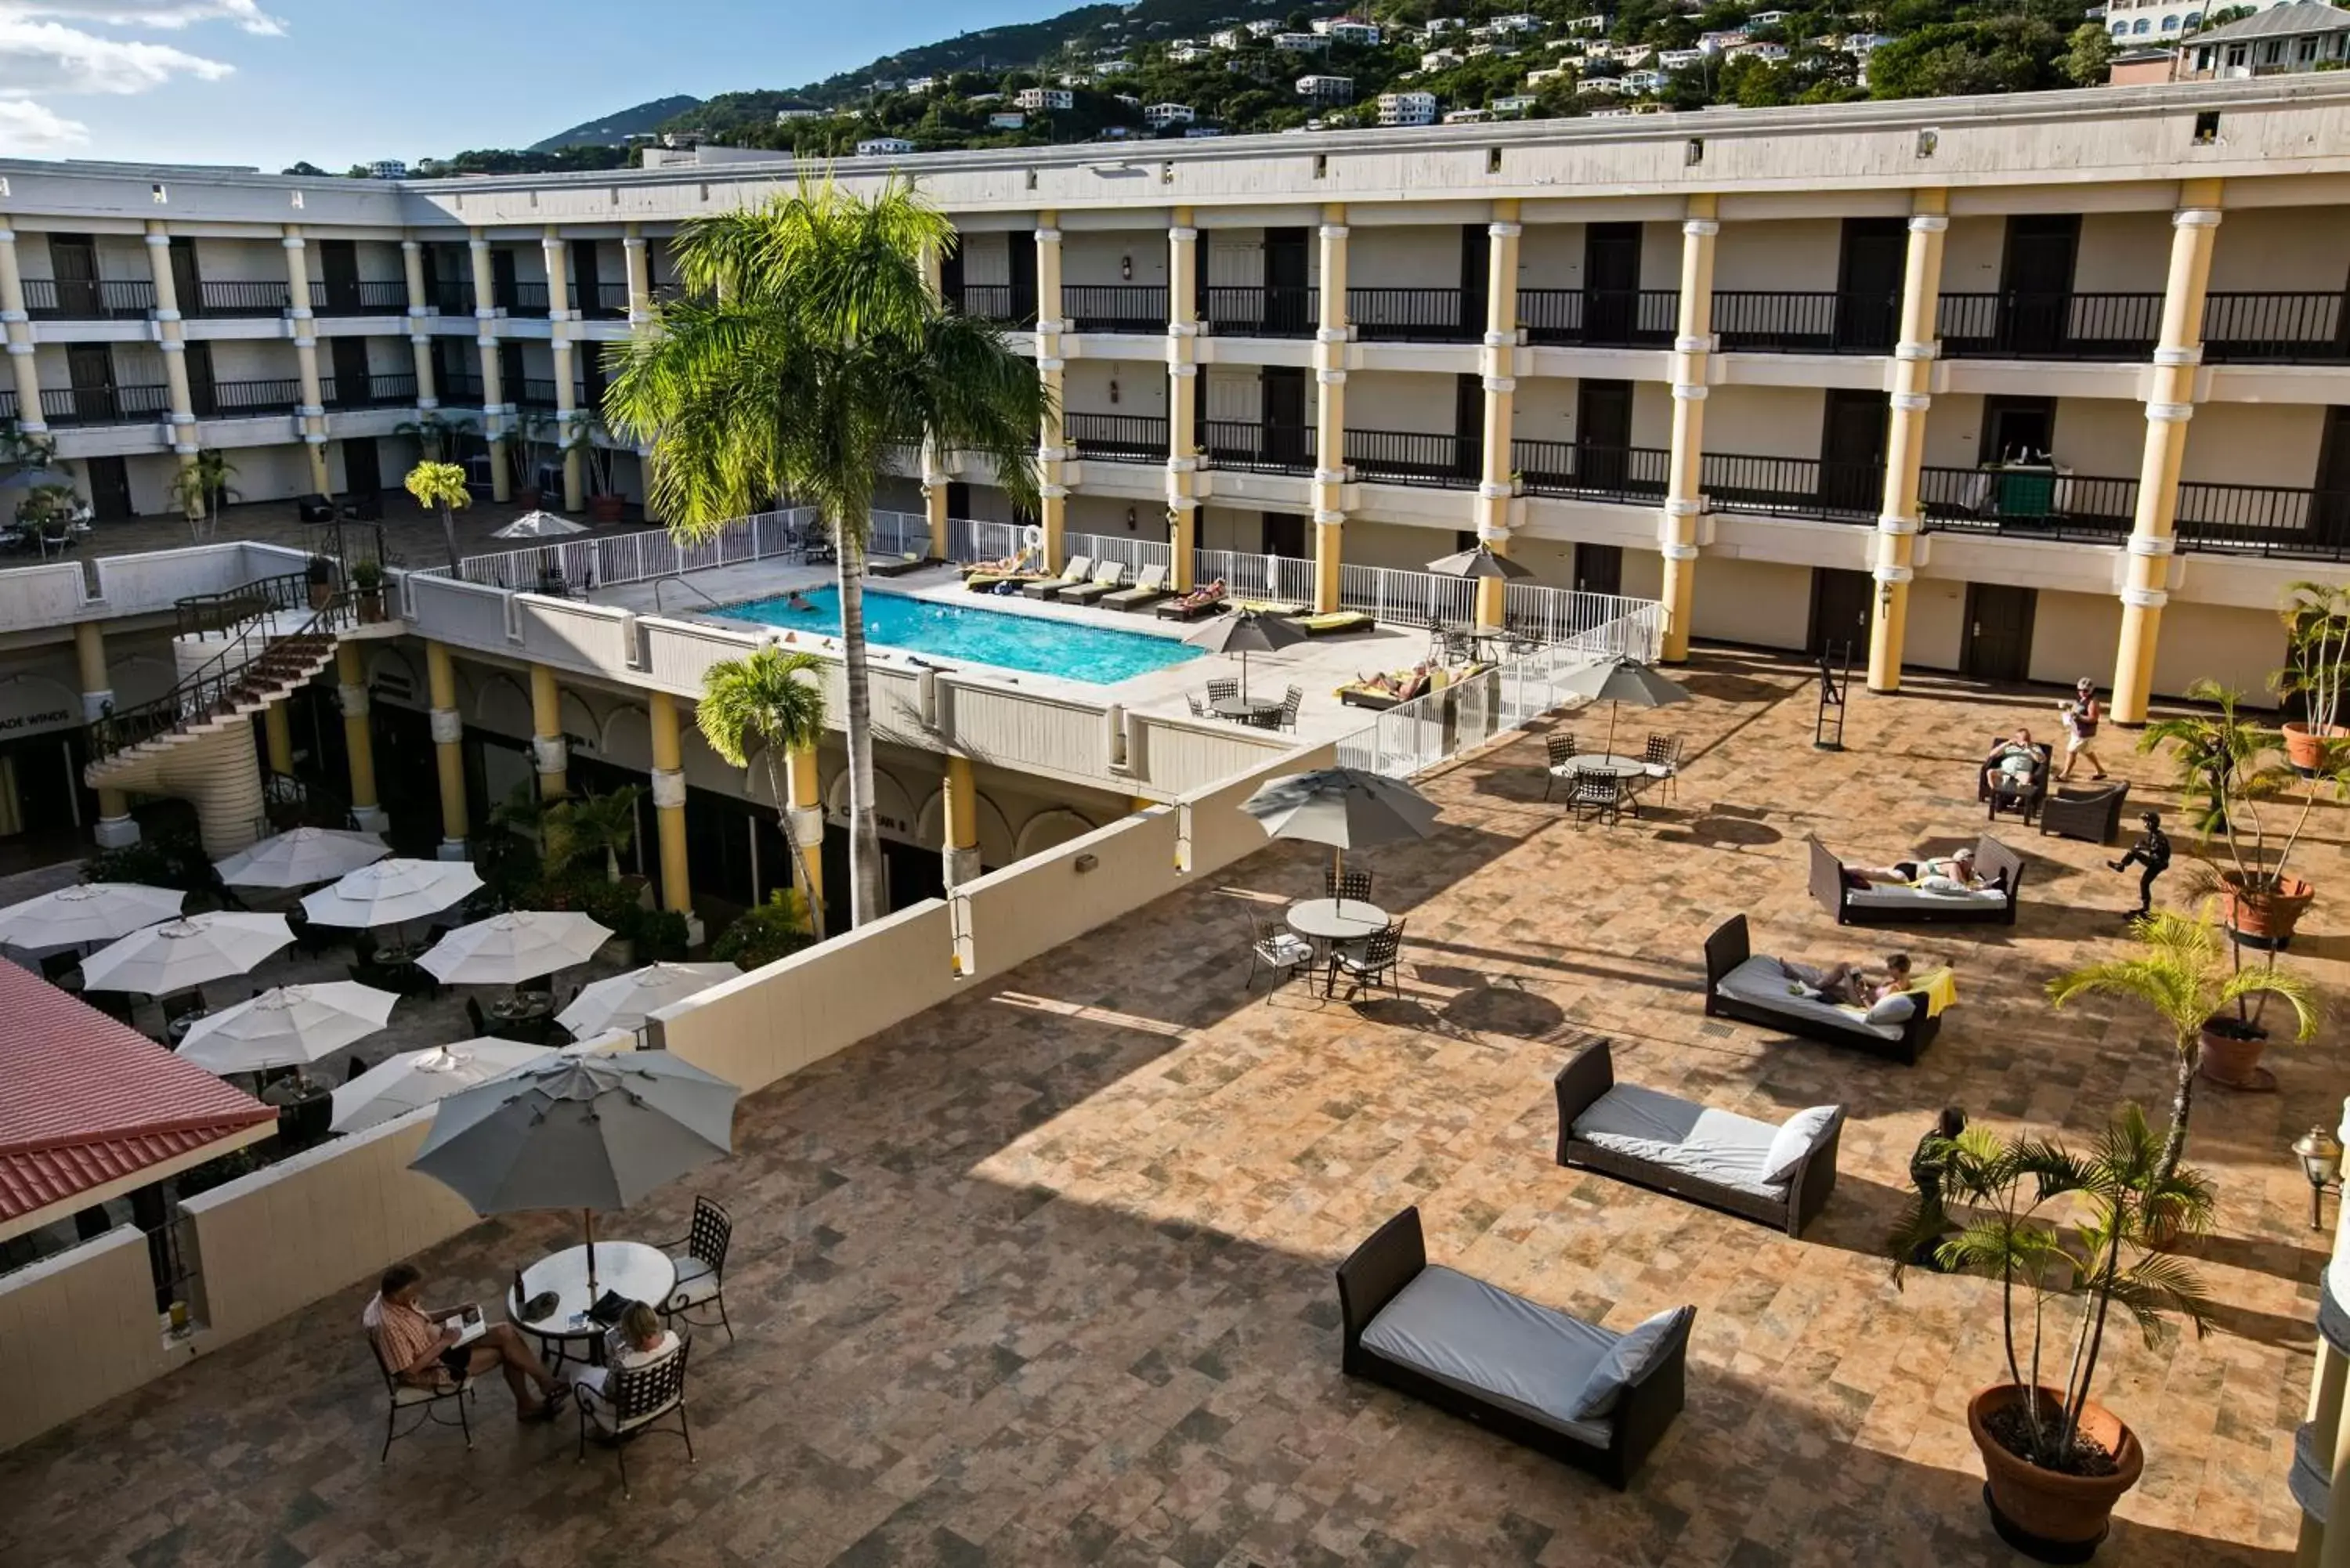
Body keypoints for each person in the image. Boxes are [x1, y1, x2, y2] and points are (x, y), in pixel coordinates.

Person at [363, 1262, 568, 1422]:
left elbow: (422, 1318)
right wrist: (444, 1343)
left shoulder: (390, 1297)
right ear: (397, 1294)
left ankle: (544, 1383)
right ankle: (530, 1403)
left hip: (443, 1339)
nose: (417, 1296)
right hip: (439, 1364)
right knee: (507, 1351)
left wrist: (456, 1311)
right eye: (412, 1292)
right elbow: (408, 1372)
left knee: (505, 1332)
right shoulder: (388, 1327)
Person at [569, 1300, 680, 1405]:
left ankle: (573, 1319)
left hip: (626, 1410)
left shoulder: (624, 1364)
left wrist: (616, 1360)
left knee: (577, 1370)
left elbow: (609, 1393)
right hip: (657, 1398)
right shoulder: (673, 1338)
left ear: (631, 1332)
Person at [1908, 1107, 1969, 1270]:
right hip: (1927, 1181)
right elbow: (1950, 1171)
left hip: (1923, 1178)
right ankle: (1923, 1251)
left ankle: (1930, 1244)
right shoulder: (1949, 1147)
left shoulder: (1931, 1135)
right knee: (1931, 1214)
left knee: (1932, 1212)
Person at [2110, 811, 2173, 918]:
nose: (2145, 824)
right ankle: (2146, 909)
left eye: (2146, 822)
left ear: (2151, 823)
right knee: (2144, 883)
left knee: (2134, 853)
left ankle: (2121, 866)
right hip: (2155, 861)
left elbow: (2157, 848)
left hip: (2157, 863)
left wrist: (2142, 847)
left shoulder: (2159, 836)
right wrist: (2143, 845)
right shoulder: (2154, 834)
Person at [1788, 952, 1912, 1006]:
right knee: (1836, 983)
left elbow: (1874, 1010)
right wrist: (1861, 980)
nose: (1888, 970)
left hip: (1859, 1000)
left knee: (1845, 967)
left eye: (1890, 967)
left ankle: (1801, 979)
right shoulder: (1903, 979)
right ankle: (1802, 980)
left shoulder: (1895, 989)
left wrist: (1863, 995)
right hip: (1863, 990)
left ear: (1897, 969)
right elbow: (1877, 989)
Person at [2058, 678, 2109, 782]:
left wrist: (2078, 716)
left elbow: (2093, 718)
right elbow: (2075, 711)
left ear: (2091, 690)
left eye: (2085, 690)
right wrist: (2067, 707)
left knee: (2071, 751)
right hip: (2079, 731)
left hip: (2083, 734)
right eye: (2080, 690)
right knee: (2088, 752)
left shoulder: (2092, 702)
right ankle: (2101, 771)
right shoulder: (2081, 699)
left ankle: (2065, 774)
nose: (2082, 692)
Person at [1849, 848, 1979, 888]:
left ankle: (1845, 869)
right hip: (1909, 874)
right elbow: (1958, 886)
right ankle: (1843, 870)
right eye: (1970, 864)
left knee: (1871, 871)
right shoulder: (1954, 866)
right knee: (1871, 874)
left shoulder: (1947, 859)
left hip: (1910, 865)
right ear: (1962, 862)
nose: (1972, 867)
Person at [1979, 727, 2042, 797]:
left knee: (2027, 779)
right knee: (1990, 772)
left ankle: (2019, 798)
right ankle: (1996, 794)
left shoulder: (2034, 747)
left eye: (2026, 738)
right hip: (2005, 770)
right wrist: (2006, 744)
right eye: (2021, 738)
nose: (2024, 741)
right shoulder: (2009, 746)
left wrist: (2030, 749)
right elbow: (1992, 755)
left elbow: (2041, 760)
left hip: (2022, 771)